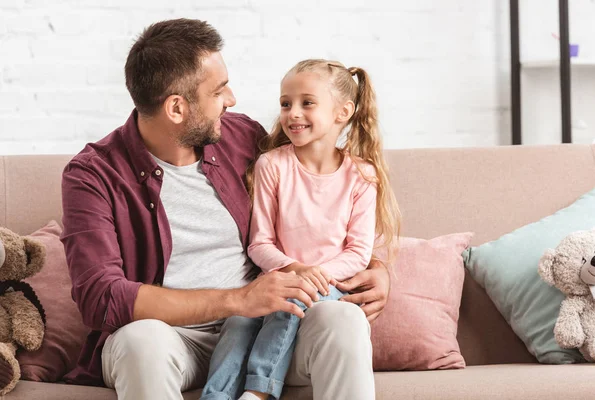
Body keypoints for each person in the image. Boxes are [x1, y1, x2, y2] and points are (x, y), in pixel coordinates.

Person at [60, 18, 391, 400]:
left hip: (266, 329)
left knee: (344, 319)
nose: (231, 99)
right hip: (172, 338)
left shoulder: (242, 138)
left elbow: (322, 197)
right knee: (141, 340)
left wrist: (377, 268)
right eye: (219, 91)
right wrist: (237, 300)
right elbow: (101, 298)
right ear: (176, 108)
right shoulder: (93, 175)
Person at [200, 59, 402, 400]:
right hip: (283, 277)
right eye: (285, 103)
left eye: (307, 103)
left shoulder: (362, 175)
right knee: (239, 320)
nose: (293, 112)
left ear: (342, 112)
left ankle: (259, 391)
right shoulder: (272, 165)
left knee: (293, 297)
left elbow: (357, 252)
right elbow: (260, 243)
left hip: (329, 288)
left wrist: (313, 276)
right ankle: (215, 396)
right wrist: (295, 270)